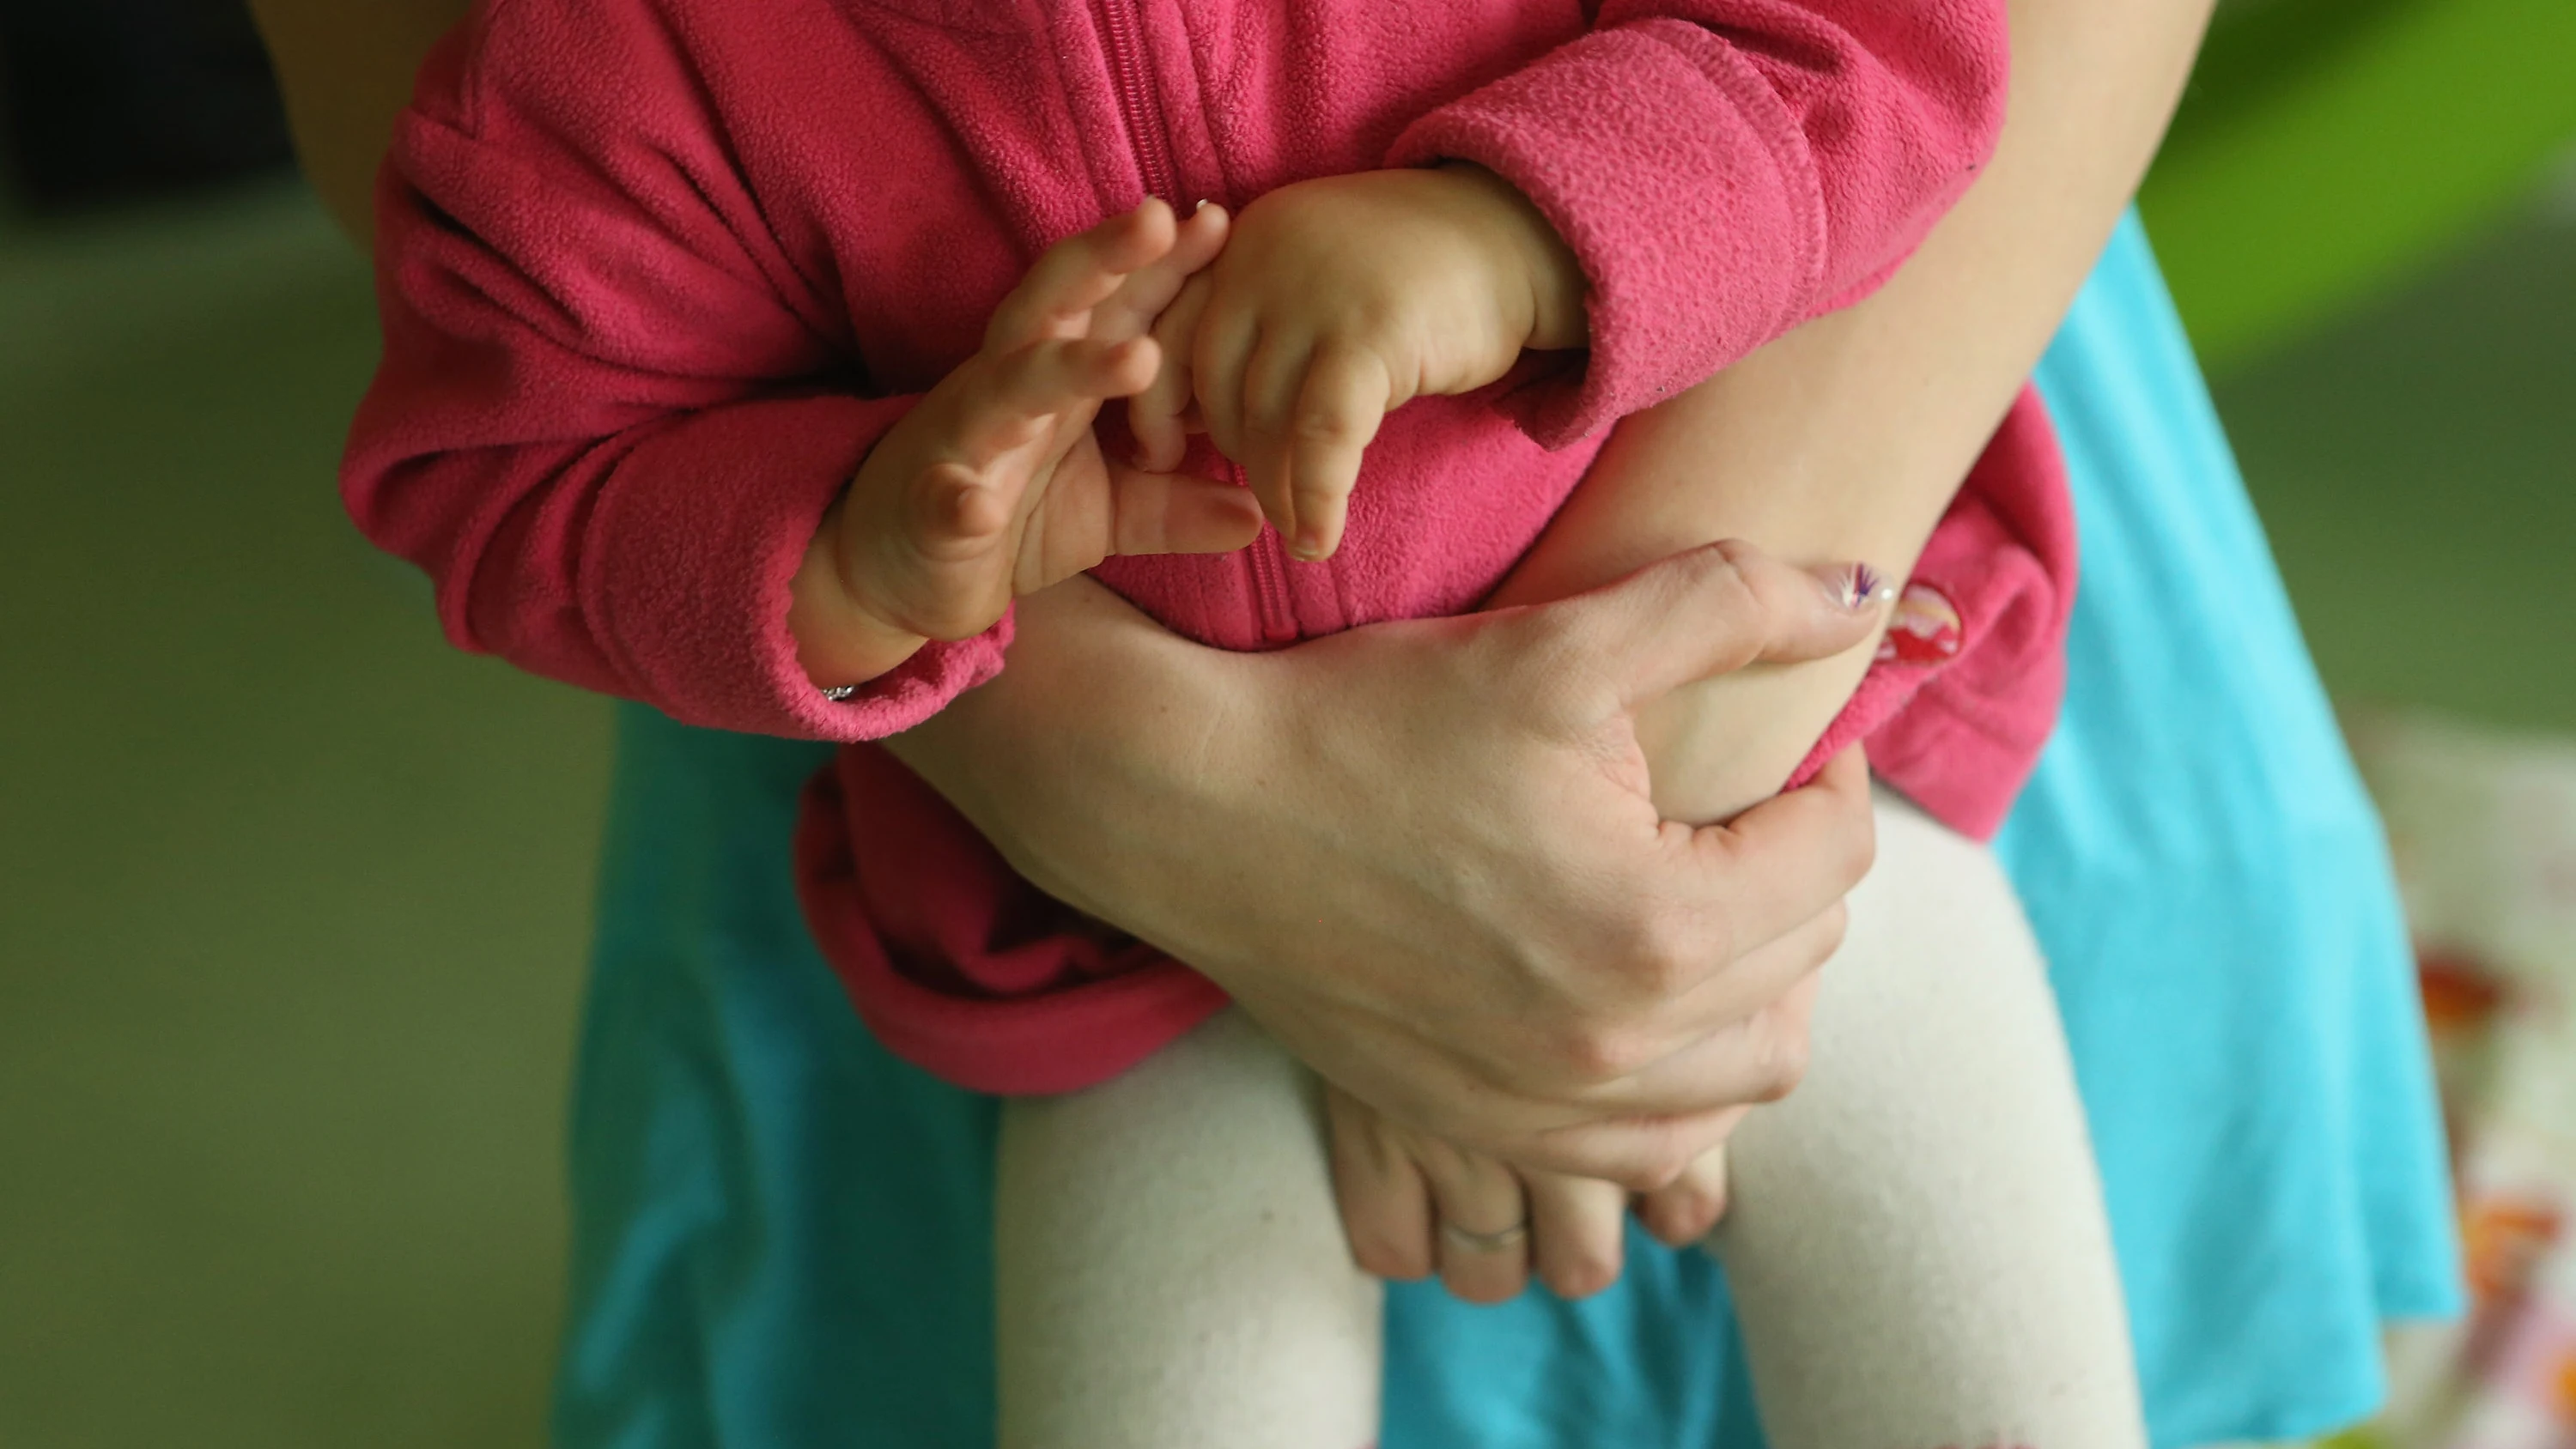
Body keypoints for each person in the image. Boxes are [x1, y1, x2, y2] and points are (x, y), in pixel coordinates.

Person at [250, 0, 2463, 1444]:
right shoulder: (641, 64)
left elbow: (1879, 53)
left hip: (1809, 795)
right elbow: (507, 457)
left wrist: (1515, 229)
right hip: (1110, 953)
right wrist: (833, 557)